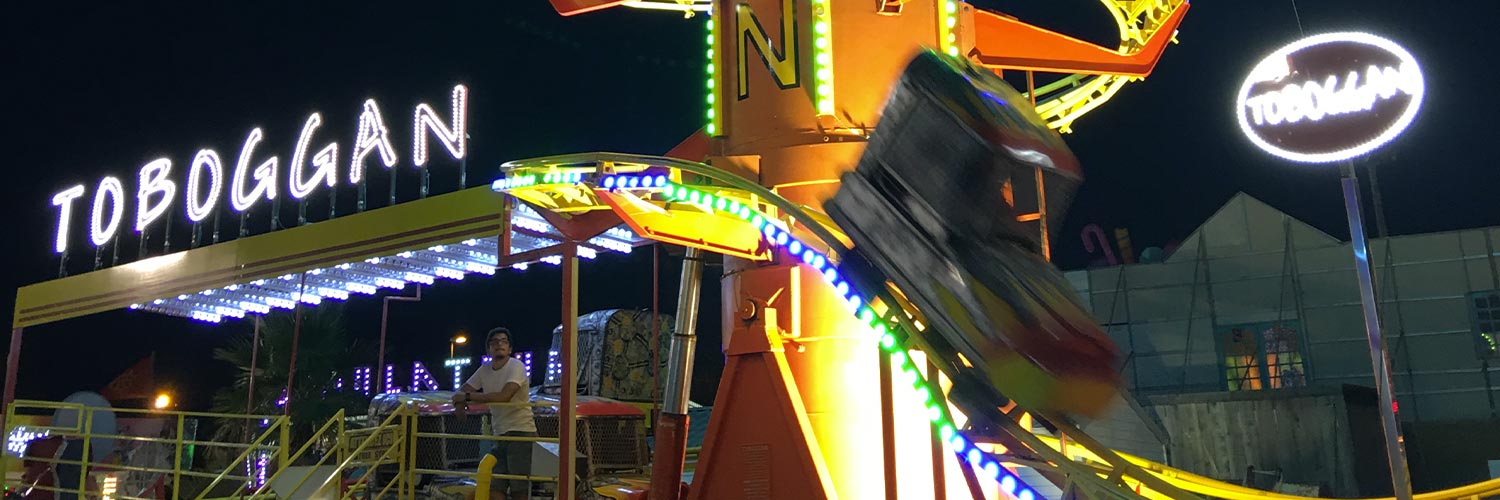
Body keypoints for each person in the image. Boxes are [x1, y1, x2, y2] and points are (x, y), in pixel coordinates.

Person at [453, 327, 538, 500]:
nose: (499, 344)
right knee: (495, 487)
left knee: (519, 487)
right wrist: (460, 404)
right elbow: (460, 392)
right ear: (488, 349)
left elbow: (504, 396)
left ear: (510, 348)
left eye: (504, 341)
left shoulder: (516, 366)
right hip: (499, 433)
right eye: (494, 342)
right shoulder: (484, 370)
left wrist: (466, 398)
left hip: (521, 433)